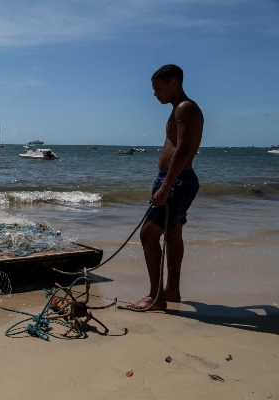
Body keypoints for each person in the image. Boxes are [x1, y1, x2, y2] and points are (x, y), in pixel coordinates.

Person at [125, 64, 204, 311]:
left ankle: (156, 297)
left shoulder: (185, 108)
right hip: (174, 178)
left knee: (148, 234)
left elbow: (183, 147)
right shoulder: (179, 109)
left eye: (158, 88)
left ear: (174, 83)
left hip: (176, 180)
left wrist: (166, 185)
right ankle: (171, 290)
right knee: (173, 233)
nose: (155, 94)